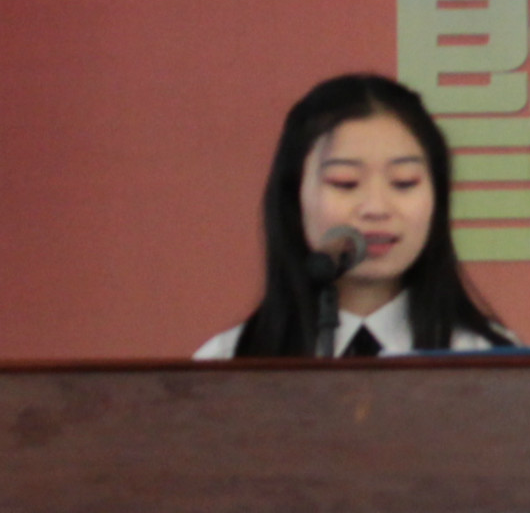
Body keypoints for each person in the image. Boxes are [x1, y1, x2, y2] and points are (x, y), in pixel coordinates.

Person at [196, 73, 511, 358]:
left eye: (404, 182)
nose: (376, 208)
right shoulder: (228, 364)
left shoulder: (490, 361)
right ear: (294, 196)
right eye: (345, 183)